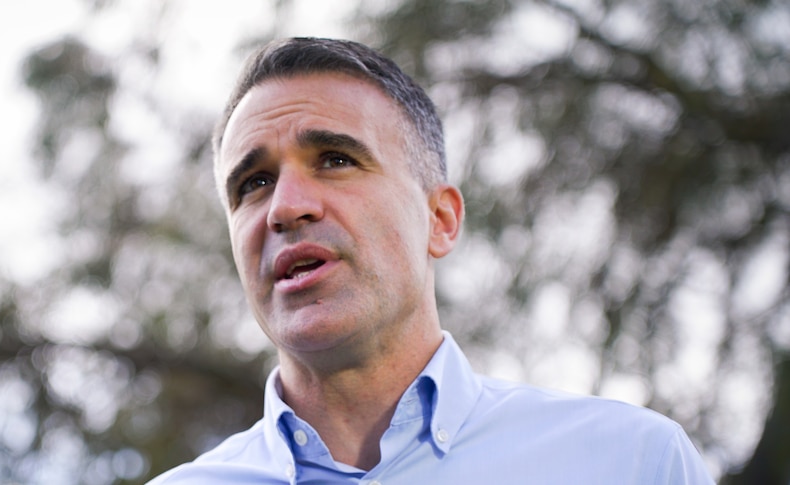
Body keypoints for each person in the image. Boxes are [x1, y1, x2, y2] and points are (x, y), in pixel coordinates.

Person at [147, 37, 714, 484]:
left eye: (336, 159)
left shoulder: (632, 463)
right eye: (255, 181)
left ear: (440, 220)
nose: (286, 207)